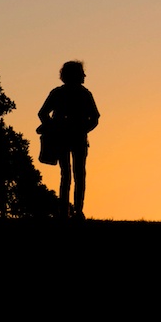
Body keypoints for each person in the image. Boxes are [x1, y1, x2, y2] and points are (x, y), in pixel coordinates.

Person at [37, 60, 100, 219]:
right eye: (81, 73)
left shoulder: (60, 93)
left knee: (68, 174)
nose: (84, 76)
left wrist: (53, 127)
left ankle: (68, 211)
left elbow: (42, 114)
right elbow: (95, 118)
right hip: (71, 138)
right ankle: (74, 211)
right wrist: (80, 129)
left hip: (70, 138)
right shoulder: (83, 94)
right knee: (76, 174)